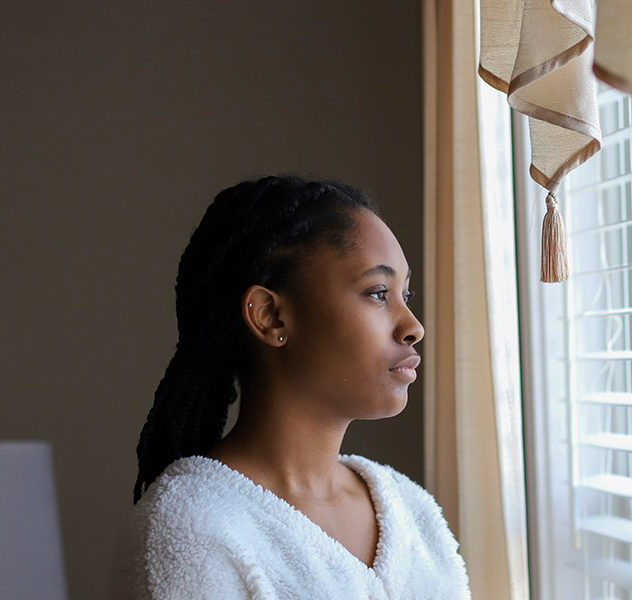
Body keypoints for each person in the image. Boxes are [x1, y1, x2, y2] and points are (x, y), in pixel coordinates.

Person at [107, 176, 471, 599]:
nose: (413, 326)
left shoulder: (413, 511)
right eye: (377, 293)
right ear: (270, 316)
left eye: (405, 294)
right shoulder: (191, 527)